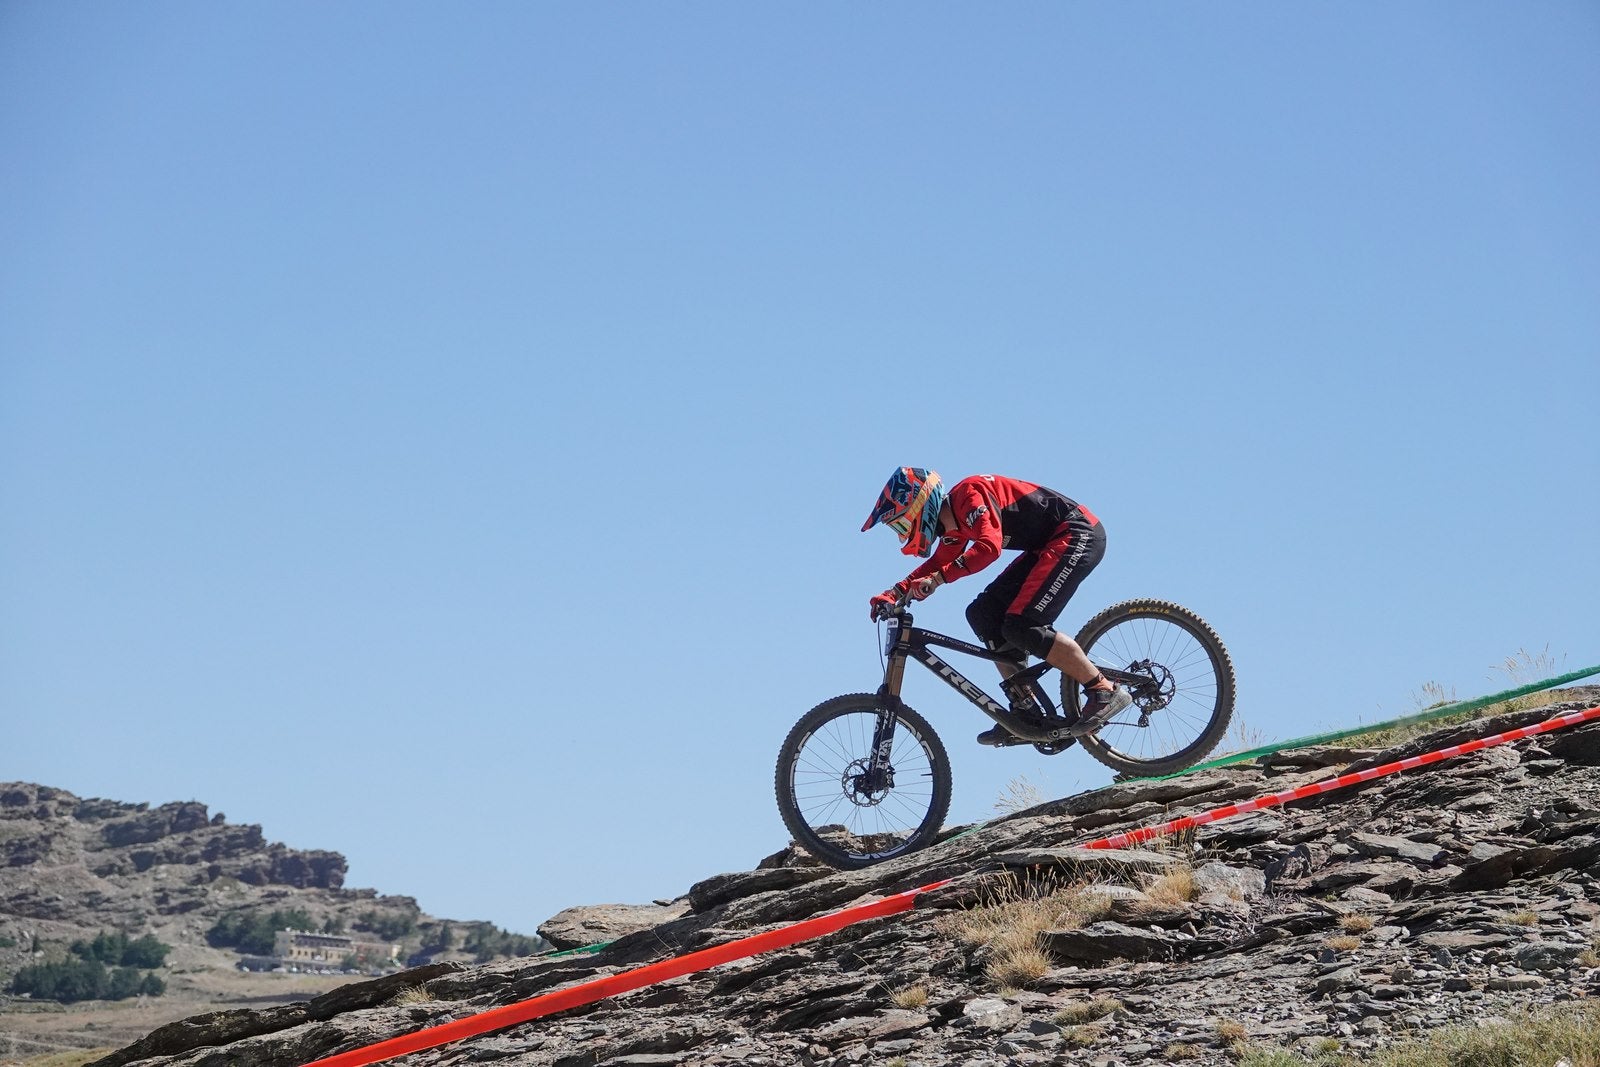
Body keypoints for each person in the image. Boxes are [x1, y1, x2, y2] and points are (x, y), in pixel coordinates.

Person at [862, 466, 1131, 746]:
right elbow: (939, 562)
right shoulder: (955, 525)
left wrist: (938, 579)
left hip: (1077, 534)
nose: (904, 533)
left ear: (920, 504)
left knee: (1023, 626)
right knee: (983, 613)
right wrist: (894, 592)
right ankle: (1025, 708)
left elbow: (989, 548)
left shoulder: (969, 495)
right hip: (1047, 545)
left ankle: (1103, 689)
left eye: (902, 524)